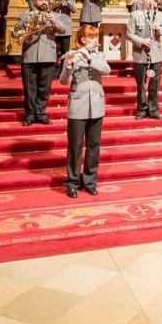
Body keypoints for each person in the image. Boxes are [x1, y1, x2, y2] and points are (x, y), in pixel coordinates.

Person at [60, 25, 111, 199]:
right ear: (83, 39)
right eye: (92, 37)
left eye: (96, 37)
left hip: (96, 106)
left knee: (93, 146)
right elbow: (63, 82)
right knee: (74, 147)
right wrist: (68, 66)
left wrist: (89, 58)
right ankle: (72, 182)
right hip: (78, 106)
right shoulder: (73, 54)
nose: (96, 40)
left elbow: (107, 70)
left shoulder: (99, 56)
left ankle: (90, 182)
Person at [15, 0, 63, 126]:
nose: (44, 2)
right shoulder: (26, 16)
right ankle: (30, 115)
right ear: (35, 2)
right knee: (30, 88)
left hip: (48, 56)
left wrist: (54, 22)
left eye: (46, 0)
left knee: (44, 88)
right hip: (30, 56)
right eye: (41, 0)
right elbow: (16, 32)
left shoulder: (53, 15)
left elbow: (63, 29)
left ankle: (41, 114)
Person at [127, 0, 162, 120]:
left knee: (154, 84)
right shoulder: (134, 15)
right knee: (141, 85)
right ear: (142, 1)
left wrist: (159, 29)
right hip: (140, 54)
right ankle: (141, 110)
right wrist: (142, 41)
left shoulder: (159, 15)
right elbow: (129, 34)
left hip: (155, 55)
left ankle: (153, 110)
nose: (150, 1)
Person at [52, 0, 77, 78]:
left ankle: (63, 71)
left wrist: (68, 0)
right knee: (54, 50)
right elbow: (49, 8)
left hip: (66, 29)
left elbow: (74, 9)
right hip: (55, 28)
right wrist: (58, 1)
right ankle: (54, 71)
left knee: (65, 51)